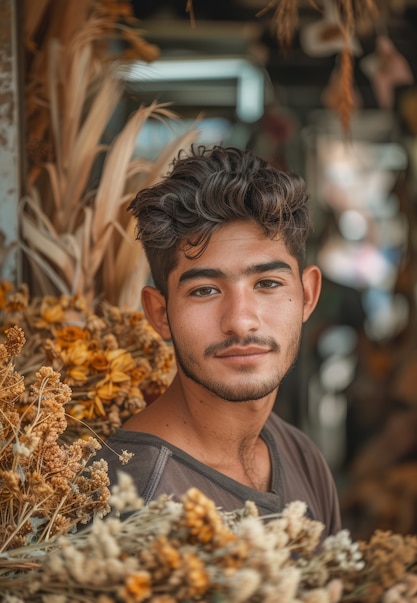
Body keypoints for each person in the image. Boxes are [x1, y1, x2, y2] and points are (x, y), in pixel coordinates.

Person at [98, 144, 342, 537]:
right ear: (160, 314)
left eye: (267, 283)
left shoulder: (301, 456)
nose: (241, 322)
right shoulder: (130, 497)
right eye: (205, 291)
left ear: (308, 295)